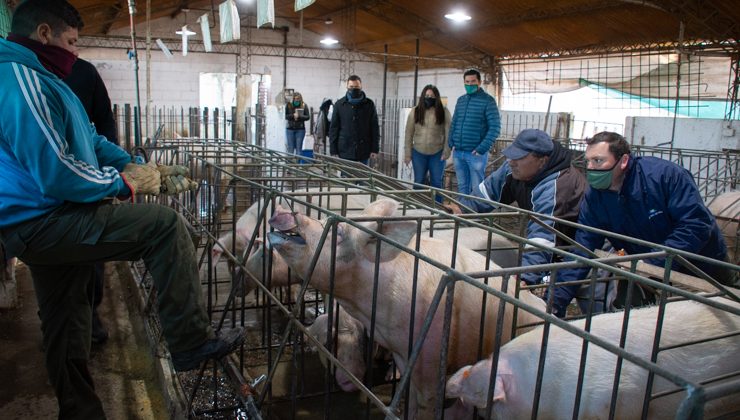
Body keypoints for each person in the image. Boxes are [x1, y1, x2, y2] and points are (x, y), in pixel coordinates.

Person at [0, 1, 243, 418]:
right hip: (44, 218)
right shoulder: (20, 79)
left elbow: (90, 140)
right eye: (71, 41)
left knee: (66, 321)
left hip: (39, 219)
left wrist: (138, 166)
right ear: (44, 34)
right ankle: (188, 341)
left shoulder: (47, 79)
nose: (76, 52)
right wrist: (127, 183)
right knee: (164, 226)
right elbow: (57, 171)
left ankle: (79, 412)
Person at [551, 131, 734, 317]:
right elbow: (584, 246)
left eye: (598, 161)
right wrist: (556, 300)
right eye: (587, 161)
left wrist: (653, 264)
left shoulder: (665, 176)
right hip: (642, 270)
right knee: (630, 323)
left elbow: (695, 224)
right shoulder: (595, 197)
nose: (590, 168)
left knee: (712, 325)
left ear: (623, 161)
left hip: (699, 267)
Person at [446, 129, 587, 285]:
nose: (511, 161)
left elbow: (543, 236)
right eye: (512, 155)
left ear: (542, 160)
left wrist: (524, 276)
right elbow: (488, 191)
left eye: (520, 157)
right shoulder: (514, 168)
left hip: (580, 245)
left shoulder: (556, 187)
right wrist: (462, 208)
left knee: (581, 290)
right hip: (550, 239)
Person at [64, 57, 118, 345]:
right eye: (71, 41)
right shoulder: (29, 78)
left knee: (93, 250)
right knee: (60, 259)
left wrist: (116, 165)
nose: (74, 48)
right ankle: (63, 320)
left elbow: (103, 125)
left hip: (90, 177)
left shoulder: (84, 72)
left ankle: (90, 314)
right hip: (56, 186)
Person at [448, 69, 501, 195]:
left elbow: (495, 127)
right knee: (462, 187)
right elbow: (454, 123)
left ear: (479, 82)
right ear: (464, 82)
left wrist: (481, 148)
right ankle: (462, 213)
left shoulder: (488, 101)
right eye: (467, 82)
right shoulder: (461, 100)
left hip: (475, 154)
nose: (470, 85)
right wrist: (451, 142)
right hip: (458, 152)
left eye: (473, 82)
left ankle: (475, 214)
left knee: (477, 188)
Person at [404, 84, 451, 203]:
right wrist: (408, 154)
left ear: (437, 97)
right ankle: (418, 206)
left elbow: (448, 132)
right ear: (422, 96)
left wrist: (446, 151)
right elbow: (408, 133)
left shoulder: (444, 112)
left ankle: (438, 208)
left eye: (432, 96)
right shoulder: (415, 111)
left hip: (437, 153)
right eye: (427, 95)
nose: (429, 97)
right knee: (419, 180)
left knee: (436, 182)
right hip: (418, 153)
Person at [329, 74, 380, 165]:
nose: (354, 89)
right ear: (347, 87)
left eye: (356, 86)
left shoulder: (369, 104)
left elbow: (374, 127)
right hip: (345, 150)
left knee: (362, 178)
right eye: (351, 86)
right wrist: (333, 151)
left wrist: (375, 149)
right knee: (346, 178)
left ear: (361, 86)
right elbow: (334, 129)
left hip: (364, 150)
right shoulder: (339, 104)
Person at [285, 91, 309, 155]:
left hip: (300, 129)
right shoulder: (289, 105)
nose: (296, 100)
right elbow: (285, 116)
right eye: (295, 99)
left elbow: (307, 117)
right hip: (290, 129)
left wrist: (299, 116)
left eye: (298, 99)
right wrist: (293, 115)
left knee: (299, 149)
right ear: (293, 99)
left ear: (300, 99)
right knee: (291, 149)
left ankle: (297, 164)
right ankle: (289, 164)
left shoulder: (304, 105)